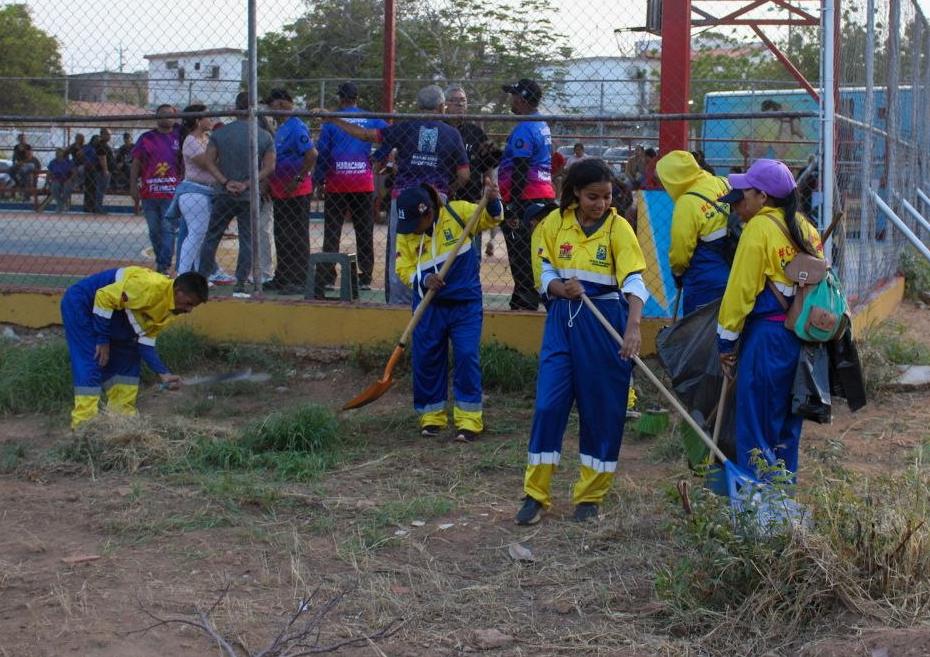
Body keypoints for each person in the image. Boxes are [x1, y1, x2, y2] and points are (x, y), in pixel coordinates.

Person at [515, 159, 648, 525]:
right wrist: (560, 288)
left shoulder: (619, 228)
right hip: (562, 321)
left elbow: (635, 281)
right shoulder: (553, 224)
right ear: (575, 192)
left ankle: (590, 497)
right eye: (592, 197)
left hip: (605, 323)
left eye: (607, 196)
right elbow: (544, 271)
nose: (600, 204)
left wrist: (633, 327)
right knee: (548, 405)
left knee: (601, 410)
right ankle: (535, 494)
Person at [716, 159, 823, 479]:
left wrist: (726, 341)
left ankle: (756, 498)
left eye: (745, 193)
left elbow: (741, 291)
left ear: (763, 196)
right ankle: (782, 496)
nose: (738, 202)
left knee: (757, 421)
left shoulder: (758, 229)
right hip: (803, 338)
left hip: (767, 338)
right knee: (788, 422)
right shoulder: (807, 228)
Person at [322, 85, 469, 304]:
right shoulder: (452, 133)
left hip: (404, 197)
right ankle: (433, 300)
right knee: (435, 250)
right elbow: (464, 175)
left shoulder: (404, 127)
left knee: (400, 252)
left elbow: (366, 135)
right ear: (441, 106)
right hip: (435, 198)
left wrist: (334, 119)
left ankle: (399, 303)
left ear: (418, 106)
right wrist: (446, 192)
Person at [394, 180, 503, 442]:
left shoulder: (459, 213)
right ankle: (431, 416)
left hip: (464, 304)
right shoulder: (406, 233)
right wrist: (424, 280)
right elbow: (403, 268)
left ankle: (469, 420)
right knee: (427, 358)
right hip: (428, 306)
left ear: (428, 213)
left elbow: (492, 218)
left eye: (415, 224)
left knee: (466, 355)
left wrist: (492, 200)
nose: (411, 231)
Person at [61, 267, 208, 429]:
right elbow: (103, 297)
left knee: (129, 356)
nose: (189, 310)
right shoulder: (147, 287)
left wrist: (164, 374)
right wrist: (102, 340)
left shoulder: (171, 309)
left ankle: (121, 419)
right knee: (92, 359)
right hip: (83, 304)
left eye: (193, 306)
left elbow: (145, 344)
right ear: (177, 291)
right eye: (189, 303)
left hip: (115, 313)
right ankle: (84, 425)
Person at [195, 91, 276, 295]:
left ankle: (202, 278)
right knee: (247, 239)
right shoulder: (264, 135)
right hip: (248, 195)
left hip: (224, 193)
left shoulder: (220, 133)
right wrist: (248, 183)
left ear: (235, 108)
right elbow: (269, 167)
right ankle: (240, 282)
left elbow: (209, 162)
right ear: (254, 108)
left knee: (212, 236)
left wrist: (225, 181)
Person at [312, 82, 387, 291]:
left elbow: (323, 153)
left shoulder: (331, 121)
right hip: (362, 182)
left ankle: (328, 276)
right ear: (356, 98)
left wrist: (318, 179)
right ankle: (365, 277)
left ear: (340, 98)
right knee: (364, 230)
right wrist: (378, 157)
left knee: (332, 231)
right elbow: (392, 135)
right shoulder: (369, 118)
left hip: (337, 183)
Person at [499, 78, 556, 310]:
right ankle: (524, 297)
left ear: (522, 100)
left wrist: (512, 206)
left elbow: (521, 168)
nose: (511, 100)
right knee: (533, 251)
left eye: (513, 95)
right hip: (540, 194)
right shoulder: (540, 123)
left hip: (526, 197)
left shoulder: (525, 127)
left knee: (521, 253)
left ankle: (525, 300)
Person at [656, 150, 732, 315]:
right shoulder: (722, 182)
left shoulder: (686, 203)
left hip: (705, 279)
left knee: (698, 326)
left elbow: (680, 251)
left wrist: (677, 272)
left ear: (671, 179)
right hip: (736, 270)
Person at [260, 88, 318, 295]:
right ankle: (283, 276)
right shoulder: (282, 127)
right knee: (282, 234)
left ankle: (299, 279)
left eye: (273, 105)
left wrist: (299, 178)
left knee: (296, 235)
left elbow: (311, 154)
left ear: (283, 104)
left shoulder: (296, 126)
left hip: (297, 191)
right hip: (281, 191)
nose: (271, 110)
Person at [444, 84, 500, 258]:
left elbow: (489, 164)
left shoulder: (476, 132)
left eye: (463, 100)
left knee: (472, 254)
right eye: (454, 100)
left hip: (471, 201)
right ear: (445, 104)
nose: (460, 104)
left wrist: (486, 189)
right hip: (444, 200)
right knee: (444, 251)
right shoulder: (439, 129)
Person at [132, 105, 182, 272]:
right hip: (149, 192)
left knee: (168, 228)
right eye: (163, 114)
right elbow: (136, 162)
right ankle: (161, 260)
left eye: (170, 115)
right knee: (154, 230)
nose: (166, 117)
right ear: (156, 117)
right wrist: (133, 185)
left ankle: (163, 265)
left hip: (171, 193)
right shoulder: (146, 138)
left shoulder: (180, 137)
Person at [172, 104, 216, 275]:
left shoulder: (207, 139)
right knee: (196, 234)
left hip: (207, 191)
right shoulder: (191, 140)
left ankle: (200, 274)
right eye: (207, 117)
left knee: (201, 236)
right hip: (195, 192)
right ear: (198, 120)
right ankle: (183, 273)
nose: (211, 120)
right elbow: (206, 163)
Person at [46, 148, 76, 212]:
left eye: (59, 153)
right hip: (56, 179)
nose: (57, 154)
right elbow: (49, 173)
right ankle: (61, 204)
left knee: (67, 188)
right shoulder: (52, 162)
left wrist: (70, 179)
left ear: (63, 154)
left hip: (67, 179)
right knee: (54, 188)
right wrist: (48, 181)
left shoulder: (68, 162)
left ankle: (61, 205)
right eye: (56, 153)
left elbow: (74, 173)